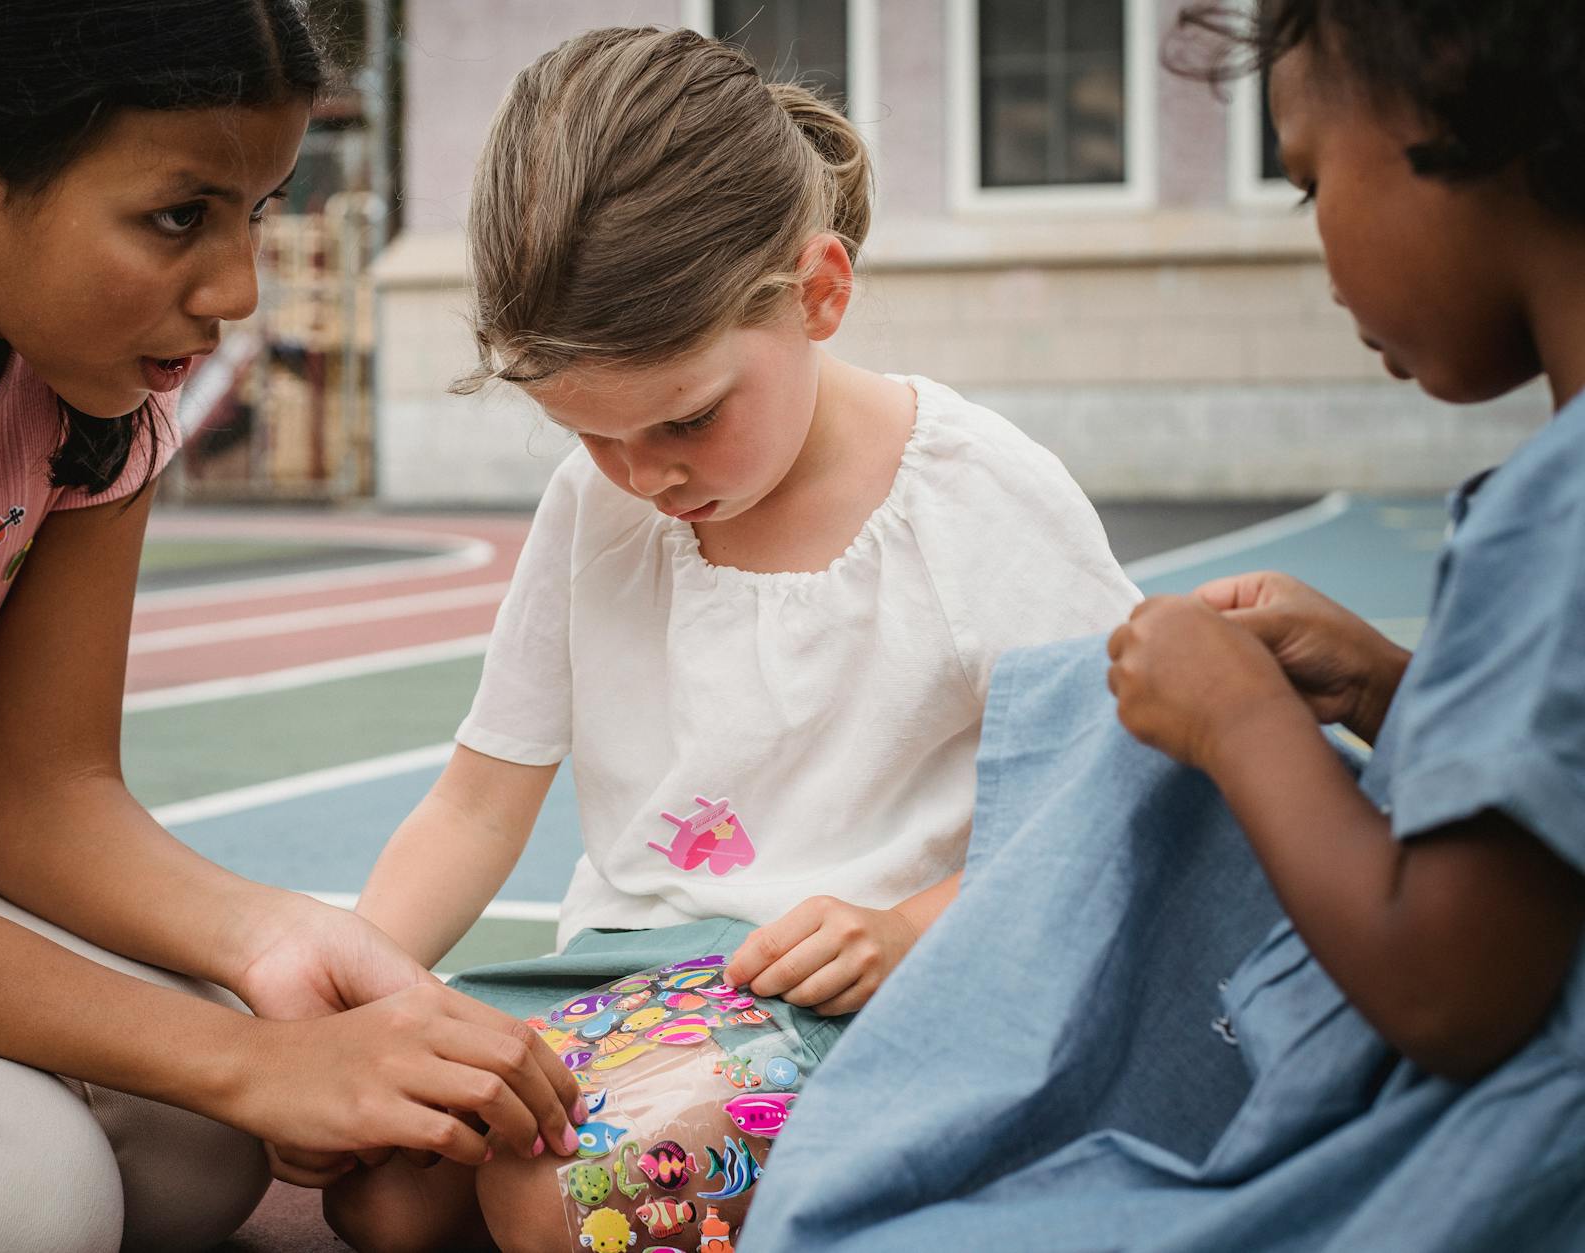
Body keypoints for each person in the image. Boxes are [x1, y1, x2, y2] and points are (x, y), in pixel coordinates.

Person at [0, 3, 581, 1250]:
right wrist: (240, 1057)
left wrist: (287, 942)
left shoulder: (92, 378)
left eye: (257, 212)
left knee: (192, 1142)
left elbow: (47, 795)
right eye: (179, 215)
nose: (236, 288)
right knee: (14, 1190)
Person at [740, 2, 1585, 1248]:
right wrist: (1383, 688)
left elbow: (1448, 984)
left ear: (1441, 108)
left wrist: (1239, 722)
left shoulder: (1551, 512)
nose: (1321, 250)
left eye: (1305, 182)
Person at [325, 26, 1141, 1252]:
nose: (644, 475)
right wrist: (347, 1005)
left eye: (686, 419)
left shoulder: (974, 496)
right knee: (380, 1186)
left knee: (562, 1201)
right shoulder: (598, 504)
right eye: (590, 434)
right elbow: (475, 806)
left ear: (819, 292)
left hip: (854, 989)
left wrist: (904, 928)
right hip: (620, 980)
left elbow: (1120, 797)